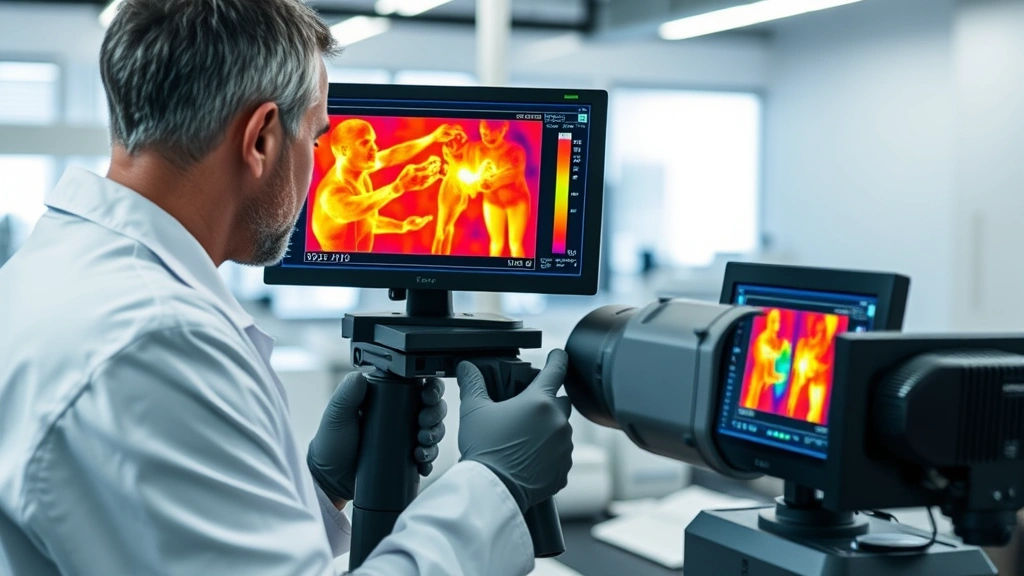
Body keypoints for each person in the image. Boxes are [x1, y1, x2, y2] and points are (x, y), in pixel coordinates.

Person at [0, 1, 574, 575]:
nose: (316, 161)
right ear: (261, 140)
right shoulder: (152, 341)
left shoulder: (57, 270)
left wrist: (318, 490)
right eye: (316, 138)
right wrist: (494, 481)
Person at [312, 118, 464, 252]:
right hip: (340, 278)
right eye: (365, 143)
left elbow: (392, 156)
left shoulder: (359, 172)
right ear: (344, 151)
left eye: (373, 141)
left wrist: (401, 226)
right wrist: (398, 187)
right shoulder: (331, 196)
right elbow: (356, 209)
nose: (375, 149)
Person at [476, 120, 533, 258]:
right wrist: (480, 181)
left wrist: (494, 180)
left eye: (492, 135)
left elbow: (514, 174)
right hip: (492, 202)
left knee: (515, 244)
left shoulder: (516, 150)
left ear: (504, 129)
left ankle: (521, 277)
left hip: (516, 202)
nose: (488, 138)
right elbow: (478, 178)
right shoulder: (480, 151)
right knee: (496, 244)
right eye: (484, 134)